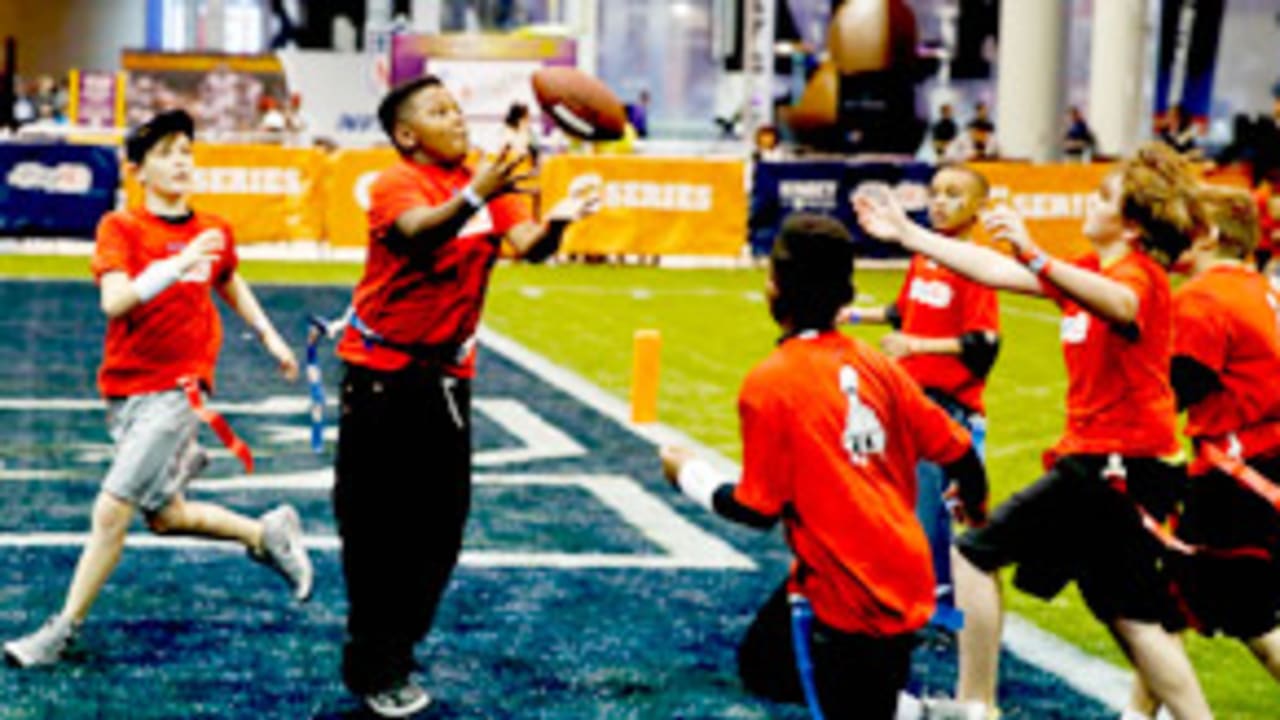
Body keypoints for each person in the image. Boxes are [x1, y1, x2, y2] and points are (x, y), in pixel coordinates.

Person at [854, 142, 1214, 720]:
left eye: (1103, 196)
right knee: (1130, 619)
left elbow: (1122, 305)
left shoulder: (1135, 275)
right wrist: (910, 236)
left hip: (1113, 465)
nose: (1089, 203)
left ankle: (976, 704)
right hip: (1114, 463)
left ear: (1132, 223)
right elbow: (996, 269)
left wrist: (1037, 255)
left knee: (973, 554)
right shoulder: (1094, 268)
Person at [3, 109, 312, 668]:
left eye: (187, 151)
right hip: (125, 390)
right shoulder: (121, 228)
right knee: (167, 516)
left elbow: (229, 279)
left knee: (110, 511)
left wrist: (268, 335)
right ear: (138, 169)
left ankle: (60, 631)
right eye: (167, 152)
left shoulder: (211, 229)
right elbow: (115, 301)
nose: (181, 162)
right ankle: (267, 534)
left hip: (181, 390)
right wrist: (179, 264)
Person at [332, 75, 600, 717]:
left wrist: (560, 217)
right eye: (439, 111)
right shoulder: (397, 183)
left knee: (438, 531)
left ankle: (395, 646)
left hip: (447, 381)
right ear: (406, 134)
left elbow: (529, 246)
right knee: (374, 532)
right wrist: (481, 190)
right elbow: (416, 234)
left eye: (457, 107)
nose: (456, 118)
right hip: (379, 379)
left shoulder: (487, 180)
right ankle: (375, 664)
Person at [659, 213, 989, 719]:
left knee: (837, 699)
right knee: (766, 662)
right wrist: (974, 499)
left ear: (774, 290)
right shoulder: (881, 367)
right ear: (845, 295)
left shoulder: (770, 382)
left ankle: (918, 713)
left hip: (850, 590)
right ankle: (915, 710)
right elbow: (961, 451)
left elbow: (756, 508)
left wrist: (689, 476)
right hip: (901, 570)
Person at [1126, 186, 1280, 719]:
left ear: (1210, 235)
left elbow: (1177, 388)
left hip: (1234, 474)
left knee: (1249, 614)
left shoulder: (1202, 297)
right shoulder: (1261, 288)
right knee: (1168, 600)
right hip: (1261, 466)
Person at [842, 165, 1000, 627]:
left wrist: (919, 346)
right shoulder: (924, 257)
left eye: (954, 194)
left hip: (951, 411)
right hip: (911, 403)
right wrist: (854, 316)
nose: (939, 202)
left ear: (977, 209)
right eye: (935, 192)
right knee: (903, 505)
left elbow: (983, 344)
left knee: (939, 517)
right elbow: (903, 313)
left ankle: (947, 614)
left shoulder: (973, 266)